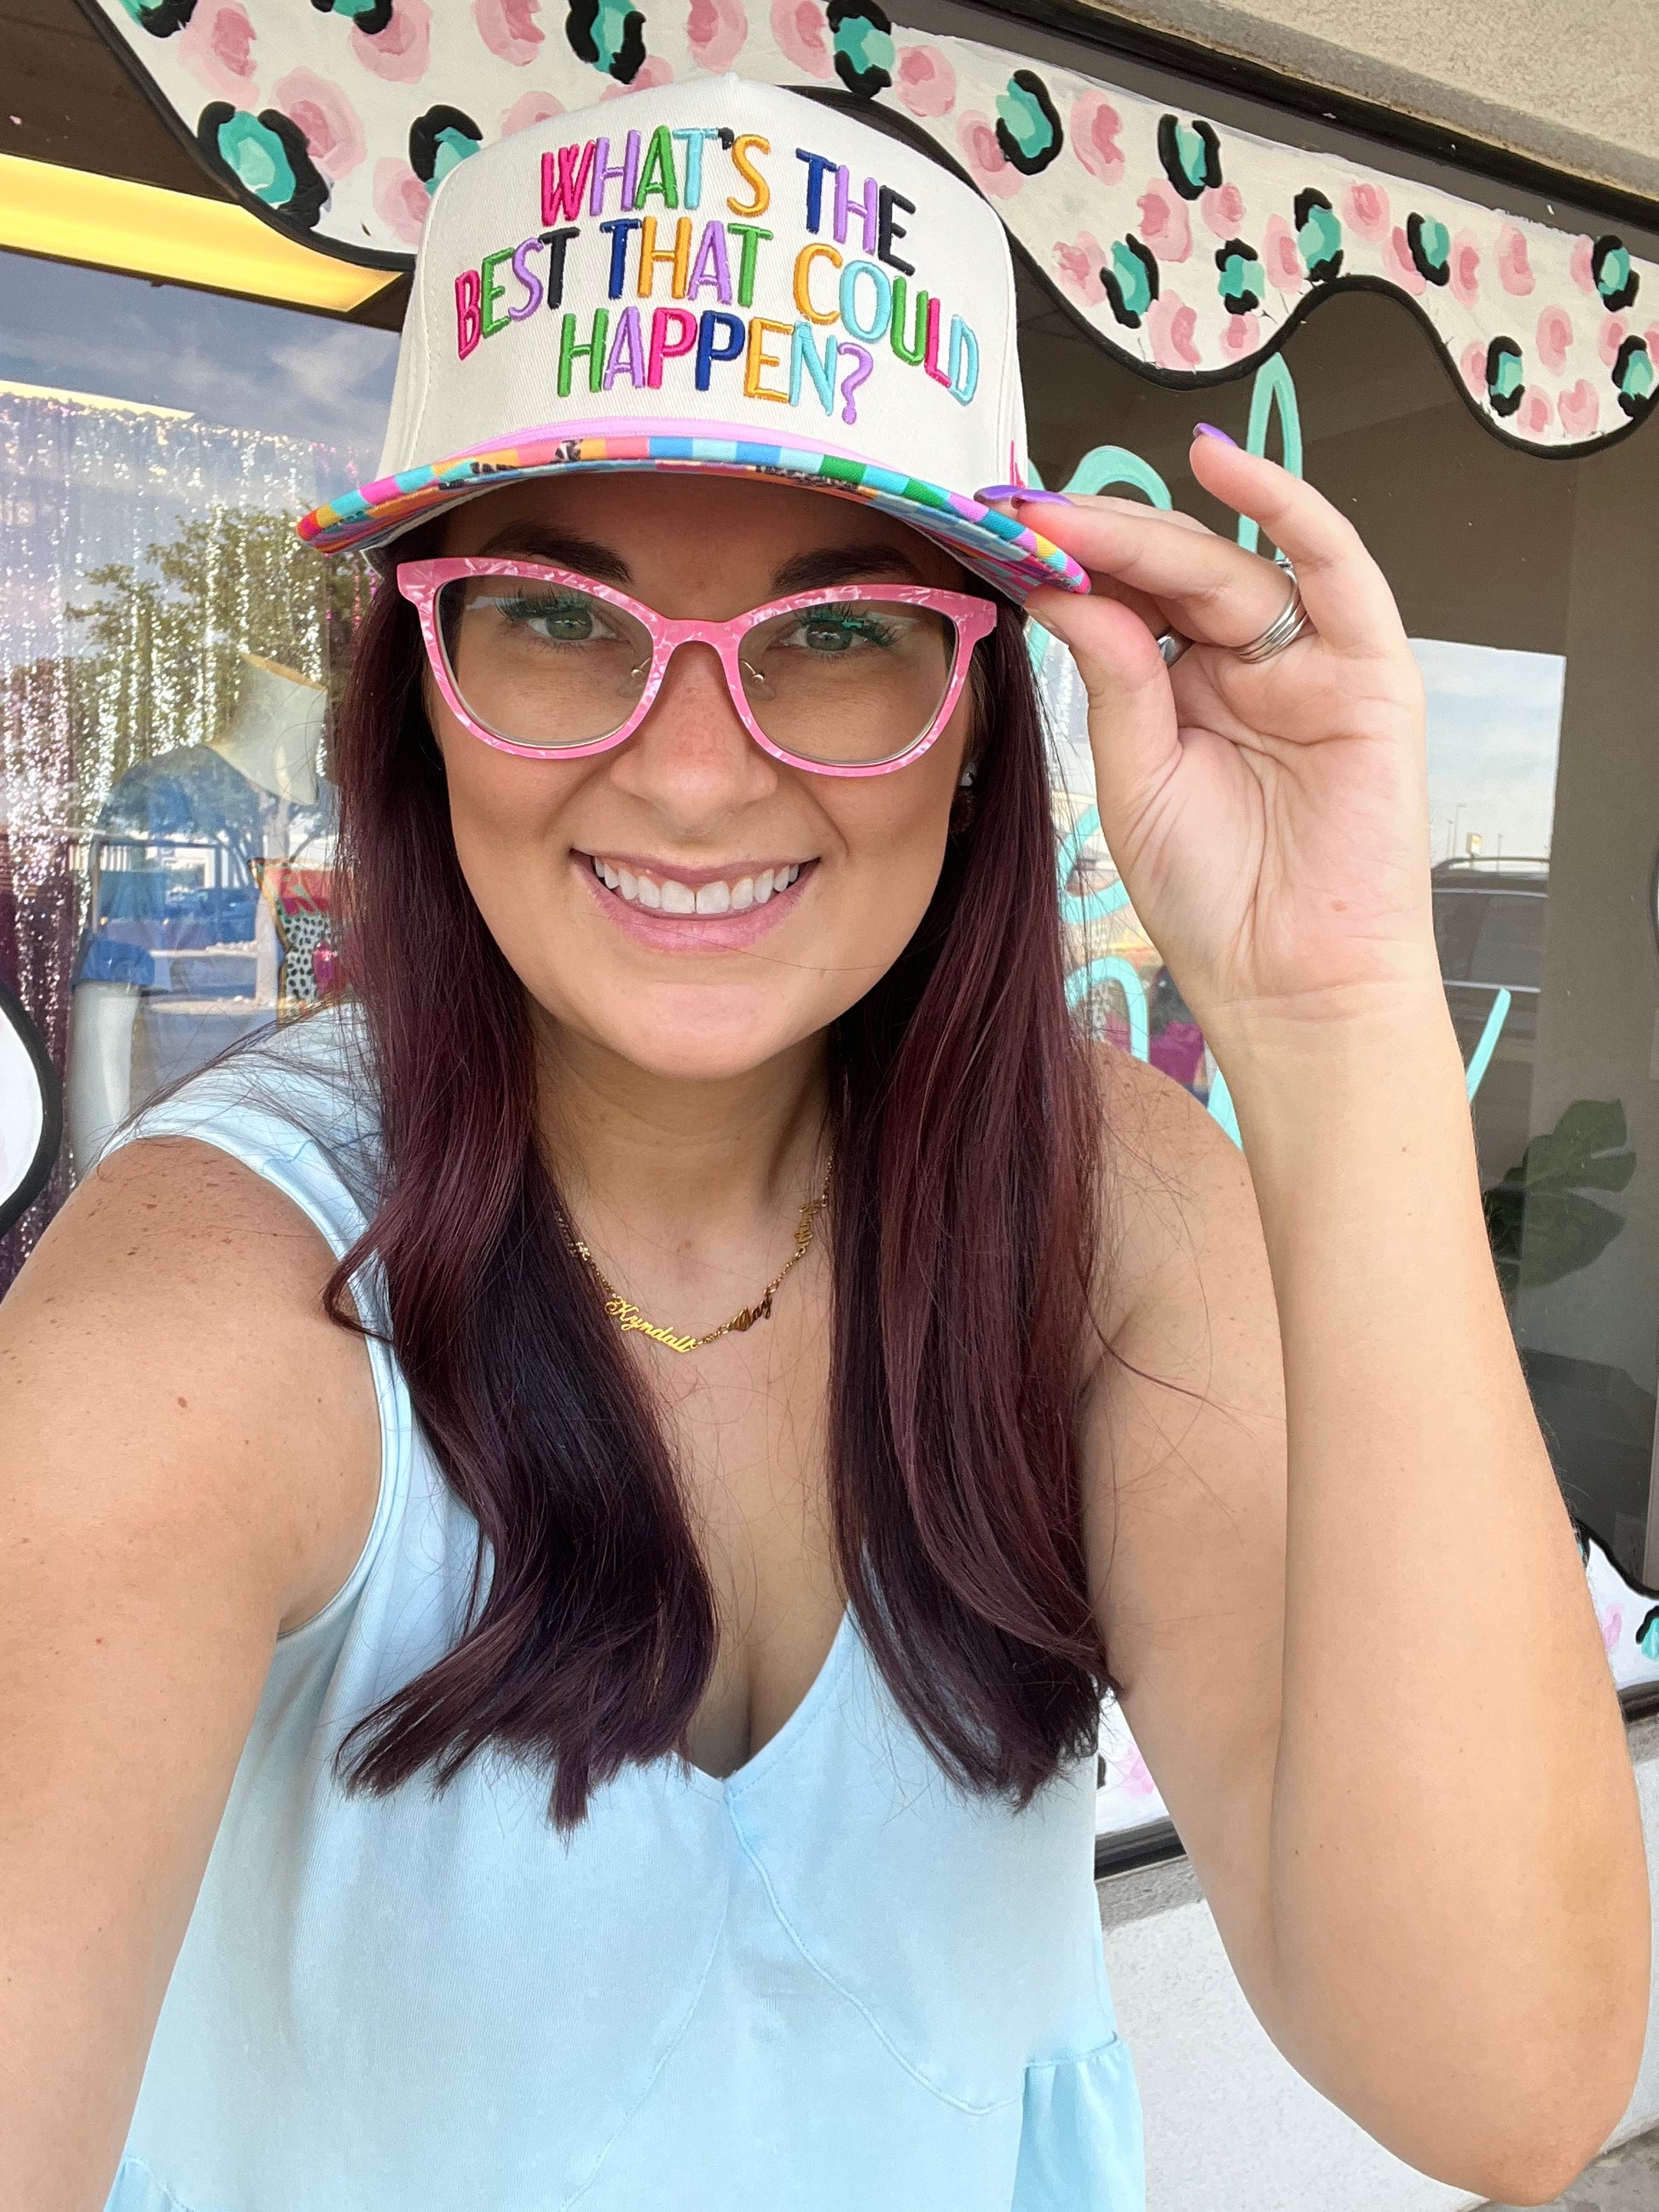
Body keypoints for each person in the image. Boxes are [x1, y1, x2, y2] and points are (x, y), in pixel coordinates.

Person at [0, 76, 1644, 2212]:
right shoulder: (209, 1309)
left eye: (842, 631)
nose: (694, 772)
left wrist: (1336, 1020)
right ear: (420, 682)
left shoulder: (1108, 1207)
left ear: (974, 720)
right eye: (559, 613)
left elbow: (1501, 2079)